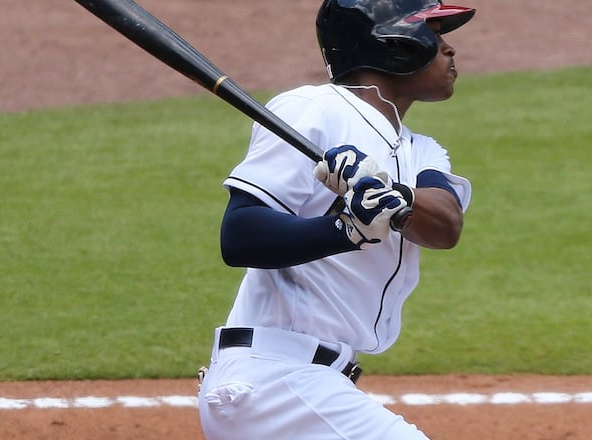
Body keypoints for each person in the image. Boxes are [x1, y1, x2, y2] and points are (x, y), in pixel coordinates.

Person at [197, 0, 475, 438]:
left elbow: (445, 226)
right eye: (435, 34)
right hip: (277, 380)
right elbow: (241, 235)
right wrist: (347, 229)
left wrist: (393, 196)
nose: (449, 49)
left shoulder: (421, 150)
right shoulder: (312, 109)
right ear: (395, 43)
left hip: (304, 383)